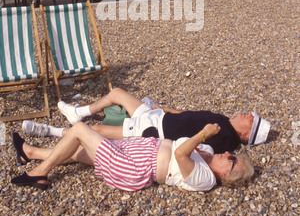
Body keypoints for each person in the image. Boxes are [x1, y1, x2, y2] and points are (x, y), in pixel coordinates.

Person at [12, 121, 255, 192]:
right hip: (134, 151)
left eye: (231, 159)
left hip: (132, 167)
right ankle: (30, 153)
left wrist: (203, 134)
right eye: (232, 154)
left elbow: (181, 154)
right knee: (80, 152)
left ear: (226, 175)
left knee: (79, 130)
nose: (228, 154)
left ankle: (39, 173)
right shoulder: (210, 155)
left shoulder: (206, 179)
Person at [23, 88, 271, 154]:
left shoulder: (226, 140)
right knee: (117, 93)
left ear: (247, 135)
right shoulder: (221, 120)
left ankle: (51, 132)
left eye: (252, 120)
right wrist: (165, 108)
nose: (248, 114)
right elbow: (189, 116)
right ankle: (79, 112)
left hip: (152, 132)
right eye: (252, 114)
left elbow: (195, 149)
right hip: (158, 116)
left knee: (96, 130)